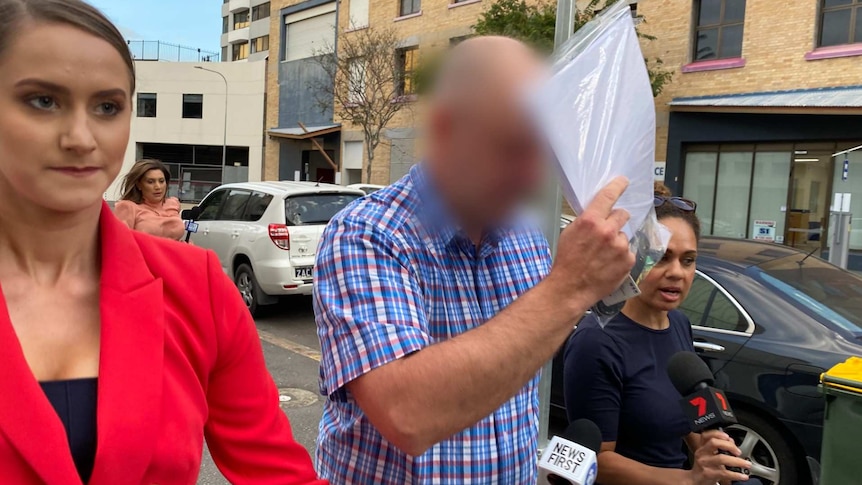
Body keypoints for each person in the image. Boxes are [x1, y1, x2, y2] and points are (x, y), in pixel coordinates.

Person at [0, 1, 326, 483]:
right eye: (43, 100)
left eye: (107, 107)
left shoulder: (197, 289)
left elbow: (274, 471)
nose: (80, 137)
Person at [313, 36, 636, 484]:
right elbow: (407, 414)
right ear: (446, 130)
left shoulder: (526, 235)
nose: (531, 176)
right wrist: (570, 287)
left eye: (540, 150)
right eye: (511, 148)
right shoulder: (367, 235)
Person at [563, 186, 756, 485]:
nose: (678, 272)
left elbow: (687, 415)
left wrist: (708, 453)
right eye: (662, 258)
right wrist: (689, 478)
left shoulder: (679, 324)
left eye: (688, 260)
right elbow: (597, 460)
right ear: (632, 257)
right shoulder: (596, 341)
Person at [114, 159, 186, 240]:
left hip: (175, 251)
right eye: (150, 182)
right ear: (139, 185)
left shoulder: (173, 203)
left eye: (161, 181)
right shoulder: (127, 207)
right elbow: (120, 242)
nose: (158, 187)